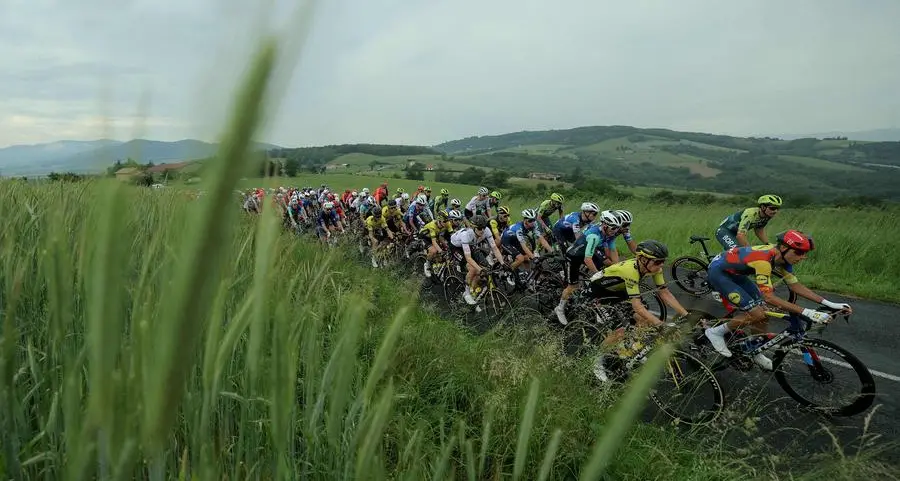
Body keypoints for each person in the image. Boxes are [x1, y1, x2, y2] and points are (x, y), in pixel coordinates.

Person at [703, 230, 852, 370]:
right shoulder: (764, 261)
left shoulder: (783, 259)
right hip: (719, 273)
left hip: (736, 273)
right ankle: (715, 332)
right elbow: (768, 297)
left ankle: (754, 350)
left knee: (764, 315)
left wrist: (830, 304)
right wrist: (807, 312)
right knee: (757, 313)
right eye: (799, 252)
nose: (802, 257)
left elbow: (795, 286)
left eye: (804, 253)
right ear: (783, 247)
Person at [586, 240, 690, 382]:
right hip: (597, 294)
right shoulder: (631, 271)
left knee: (644, 320)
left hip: (618, 292)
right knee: (619, 332)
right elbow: (637, 306)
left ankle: (631, 349)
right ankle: (596, 359)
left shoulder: (654, 268)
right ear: (642, 259)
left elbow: (665, 293)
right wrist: (660, 324)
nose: (661, 266)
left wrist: (686, 314)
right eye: (657, 262)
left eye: (662, 261)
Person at [553, 211, 626, 325]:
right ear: (605, 225)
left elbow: (612, 250)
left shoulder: (609, 233)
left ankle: (598, 309)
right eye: (613, 228)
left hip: (589, 253)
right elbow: (587, 259)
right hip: (575, 256)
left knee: (605, 275)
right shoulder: (594, 236)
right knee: (573, 287)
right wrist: (597, 274)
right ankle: (560, 308)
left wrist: (618, 268)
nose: (615, 231)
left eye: (617, 228)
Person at [451, 215, 505, 305]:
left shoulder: (486, 230)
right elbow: (468, 258)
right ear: (473, 228)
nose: (482, 230)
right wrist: (480, 269)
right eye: (480, 228)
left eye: (484, 227)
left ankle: (474, 288)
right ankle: (467, 293)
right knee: (473, 269)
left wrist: (502, 263)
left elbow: (494, 248)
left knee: (487, 267)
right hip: (456, 247)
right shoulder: (466, 235)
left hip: (471, 245)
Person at [715, 194, 782, 251]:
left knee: (741, 253)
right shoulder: (750, 214)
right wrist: (750, 251)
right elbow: (740, 235)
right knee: (738, 252)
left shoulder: (766, 216)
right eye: (772, 208)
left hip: (735, 233)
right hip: (724, 231)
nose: (775, 211)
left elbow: (759, 230)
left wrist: (767, 244)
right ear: (763, 207)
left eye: (777, 209)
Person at [500, 209, 553, 277]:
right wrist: (534, 258)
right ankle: (508, 272)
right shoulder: (519, 228)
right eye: (530, 220)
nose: (533, 222)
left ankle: (528, 275)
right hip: (506, 240)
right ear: (525, 220)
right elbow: (523, 246)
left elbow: (541, 239)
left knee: (527, 257)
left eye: (534, 219)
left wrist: (551, 251)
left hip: (515, 239)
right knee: (521, 258)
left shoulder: (534, 225)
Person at [418, 210, 454, 277]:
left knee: (444, 250)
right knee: (434, 251)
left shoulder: (448, 223)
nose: (447, 222)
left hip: (435, 236)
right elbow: (434, 242)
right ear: (439, 220)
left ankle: (436, 266)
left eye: (447, 220)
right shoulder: (433, 226)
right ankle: (427, 264)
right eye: (445, 221)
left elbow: (453, 236)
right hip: (424, 237)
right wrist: (441, 251)